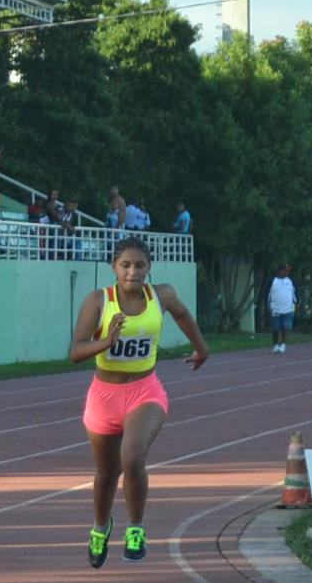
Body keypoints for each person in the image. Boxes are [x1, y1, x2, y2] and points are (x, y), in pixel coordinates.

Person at [71, 237, 209, 566]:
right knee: (106, 474)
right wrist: (106, 341)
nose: (133, 272)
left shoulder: (161, 295)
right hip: (104, 396)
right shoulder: (99, 301)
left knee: (132, 458)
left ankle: (136, 529)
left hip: (145, 390)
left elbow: (184, 315)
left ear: (149, 267)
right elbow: (75, 351)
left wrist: (202, 348)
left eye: (140, 265)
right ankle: (100, 528)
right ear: (114, 268)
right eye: (126, 265)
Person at [266, 264, 297, 354]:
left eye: (288, 270)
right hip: (276, 308)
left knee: (286, 327)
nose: (287, 272)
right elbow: (267, 294)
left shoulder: (291, 281)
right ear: (280, 271)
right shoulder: (272, 281)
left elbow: (295, 292)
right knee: (275, 328)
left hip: (288, 308)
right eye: (285, 270)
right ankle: (276, 344)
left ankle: (283, 344)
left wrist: (296, 302)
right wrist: (267, 304)